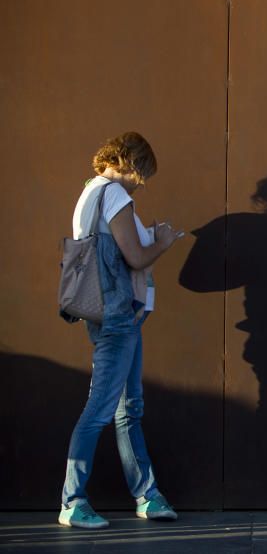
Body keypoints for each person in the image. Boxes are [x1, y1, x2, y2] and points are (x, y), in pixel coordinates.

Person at [58, 132, 184, 529]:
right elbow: (135, 256)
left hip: (110, 316)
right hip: (117, 317)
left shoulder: (90, 192)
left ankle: (148, 495)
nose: (141, 183)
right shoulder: (114, 194)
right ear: (131, 162)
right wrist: (162, 241)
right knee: (100, 411)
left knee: (128, 410)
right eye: (142, 173)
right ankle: (72, 501)